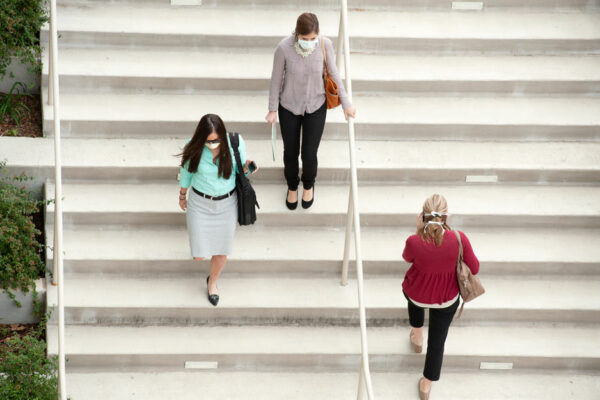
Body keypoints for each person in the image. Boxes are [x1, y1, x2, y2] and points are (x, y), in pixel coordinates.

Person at [266, 12, 356, 210]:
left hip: (316, 105)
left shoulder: (325, 45)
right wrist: (272, 108)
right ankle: (292, 186)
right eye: (305, 39)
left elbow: (334, 74)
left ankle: (308, 184)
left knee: (309, 153)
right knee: (290, 152)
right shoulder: (283, 48)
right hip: (289, 105)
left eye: (313, 38)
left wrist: (347, 103)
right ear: (297, 33)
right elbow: (275, 80)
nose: (310, 42)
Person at [402, 194, 480, 399]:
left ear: (422, 216)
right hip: (446, 299)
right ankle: (426, 385)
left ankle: (417, 335)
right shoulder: (459, 238)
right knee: (437, 342)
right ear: (446, 217)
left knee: (410, 293)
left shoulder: (414, 241)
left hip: (418, 294)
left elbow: (407, 257)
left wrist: (418, 230)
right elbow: (475, 267)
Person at [178, 114, 255, 306]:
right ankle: (210, 275)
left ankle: (212, 282)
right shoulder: (193, 146)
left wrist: (248, 168)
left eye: (216, 140)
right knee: (198, 255)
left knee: (221, 251)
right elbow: (186, 172)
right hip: (200, 203)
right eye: (208, 141)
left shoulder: (235, 143)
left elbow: (240, 171)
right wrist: (182, 195)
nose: (212, 143)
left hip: (227, 204)